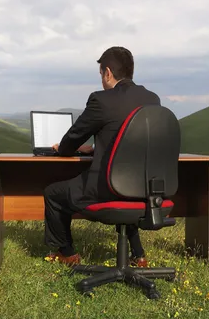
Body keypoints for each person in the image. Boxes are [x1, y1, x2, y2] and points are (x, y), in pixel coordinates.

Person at [44, 46, 161, 267]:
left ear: (107, 72)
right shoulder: (152, 99)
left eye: (101, 74)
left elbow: (73, 139)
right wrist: (98, 148)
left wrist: (63, 148)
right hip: (145, 188)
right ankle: (139, 255)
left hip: (107, 188)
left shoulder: (101, 100)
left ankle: (67, 253)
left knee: (53, 193)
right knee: (128, 186)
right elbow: (130, 142)